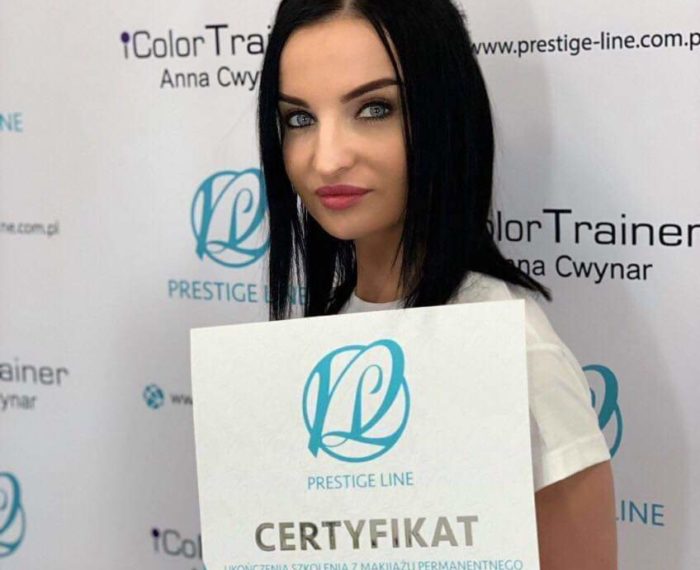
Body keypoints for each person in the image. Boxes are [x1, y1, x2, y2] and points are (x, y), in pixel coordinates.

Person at [257, 0, 617, 567]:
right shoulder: (321, 340)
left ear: (444, 115)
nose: (326, 159)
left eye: (374, 108)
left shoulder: (518, 356)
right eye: (300, 119)